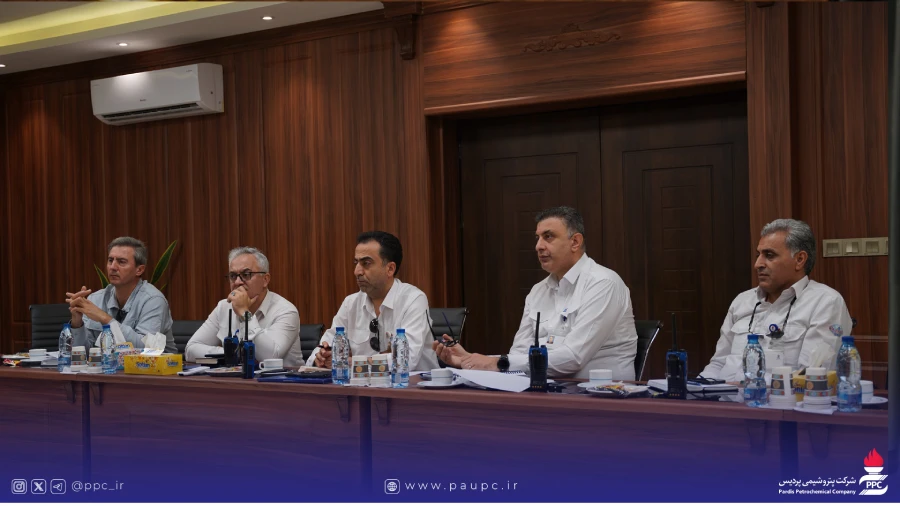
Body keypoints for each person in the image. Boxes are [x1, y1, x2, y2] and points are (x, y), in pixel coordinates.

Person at [434, 206, 637, 380]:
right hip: (546, 392)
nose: (538, 246)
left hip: (602, 398)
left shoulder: (603, 283)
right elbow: (519, 353)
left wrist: (495, 363)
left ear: (575, 242)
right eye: (538, 238)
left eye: (548, 236)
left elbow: (573, 358)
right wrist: (470, 361)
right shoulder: (538, 291)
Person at [700, 219, 852, 381]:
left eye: (769, 255)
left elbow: (811, 375)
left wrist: (745, 386)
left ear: (799, 259)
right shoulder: (742, 300)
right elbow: (718, 364)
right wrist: (696, 387)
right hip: (722, 395)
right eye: (758, 255)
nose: (758, 264)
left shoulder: (825, 302)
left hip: (776, 397)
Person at [307, 231, 438, 371]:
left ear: (390, 269)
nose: (357, 271)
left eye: (366, 263)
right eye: (356, 263)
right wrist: (320, 358)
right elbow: (326, 343)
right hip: (363, 383)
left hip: (414, 383)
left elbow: (406, 360)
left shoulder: (413, 299)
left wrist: (351, 363)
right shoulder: (350, 303)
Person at [185, 247, 303, 366]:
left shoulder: (286, 311)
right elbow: (191, 349)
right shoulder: (224, 307)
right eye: (233, 276)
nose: (237, 282)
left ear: (265, 280)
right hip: (234, 377)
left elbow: (269, 357)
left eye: (246, 274)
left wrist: (244, 314)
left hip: (281, 377)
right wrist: (231, 354)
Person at [66, 237, 176, 353]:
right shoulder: (96, 299)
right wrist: (77, 323)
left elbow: (145, 349)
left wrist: (104, 318)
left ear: (139, 270)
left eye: (121, 262)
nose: (112, 267)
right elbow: (84, 353)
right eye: (110, 260)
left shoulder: (153, 300)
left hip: (155, 365)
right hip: (109, 364)